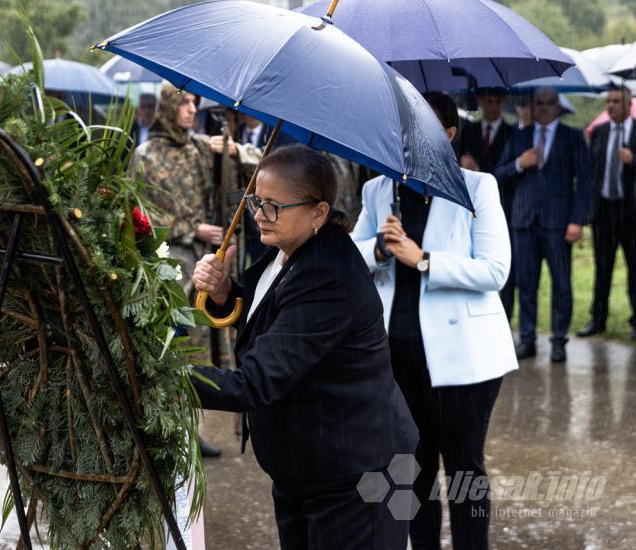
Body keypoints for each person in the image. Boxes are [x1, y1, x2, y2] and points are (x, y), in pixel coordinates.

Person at [192, 144, 418, 549]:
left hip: (356, 475)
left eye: (273, 206)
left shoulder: (327, 275)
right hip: (306, 466)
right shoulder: (286, 250)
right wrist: (226, 291)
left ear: (318, 213)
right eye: (255, 201)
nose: (259, 215)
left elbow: (256, 381)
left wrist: (162, 379)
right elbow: (271, 316)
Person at [352, 92, 518, 550]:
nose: (405, 142)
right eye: (400, 132)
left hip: (464, 360)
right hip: (396, 354)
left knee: (465, 467)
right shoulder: (378, 188)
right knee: (408, 468)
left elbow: (495, 270)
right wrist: (382, 249)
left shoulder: (477, 186)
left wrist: (424, 259)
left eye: (418, 132)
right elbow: (352, 255)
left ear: (448, 135)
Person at [130, 82, 259, 458]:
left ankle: (190, 431)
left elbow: (254, 163)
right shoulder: (146, 155)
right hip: (166, 265)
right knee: (165, 345)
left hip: (202, 266)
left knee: (197, 348)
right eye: (183, 102)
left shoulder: (203, 148)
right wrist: (190, 228)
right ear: (167, 107)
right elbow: (138, 213)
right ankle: (160, 428)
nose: (190, 109)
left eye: (193, 103)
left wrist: (233, 148)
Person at [495, 86, 592, 362]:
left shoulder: (572, 137)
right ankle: (527, 339)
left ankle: (559, 340)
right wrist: (519, 163)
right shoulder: (519, 136)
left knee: (561, 284)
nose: (546, 107)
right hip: (524, 222)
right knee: (526, 284)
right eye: (540, 103)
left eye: (551, 102)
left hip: (559, 224)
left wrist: (578, 220)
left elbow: (585, 182)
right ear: (533, 107)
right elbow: (498, 174)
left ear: (558, 106)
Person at [578, 87, 636, 340]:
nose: (611, 106)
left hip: (631, 213)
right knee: (602, 268)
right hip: (604, 211)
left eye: (616, 101)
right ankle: (597, 318)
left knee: (634, 268)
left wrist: (633, 160)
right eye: (608, 101)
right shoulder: (599, 133)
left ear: (628, 105)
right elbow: (591, 174)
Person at [459, 90, 516, 319]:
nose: (493, 107)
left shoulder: (512, 133)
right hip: (472, 207)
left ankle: (506, 315)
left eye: (497, 102)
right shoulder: (468, 130)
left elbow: (509, 169)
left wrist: (480, 170)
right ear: (481, 102)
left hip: (506, 203)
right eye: (488, 102)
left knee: (502, 261)